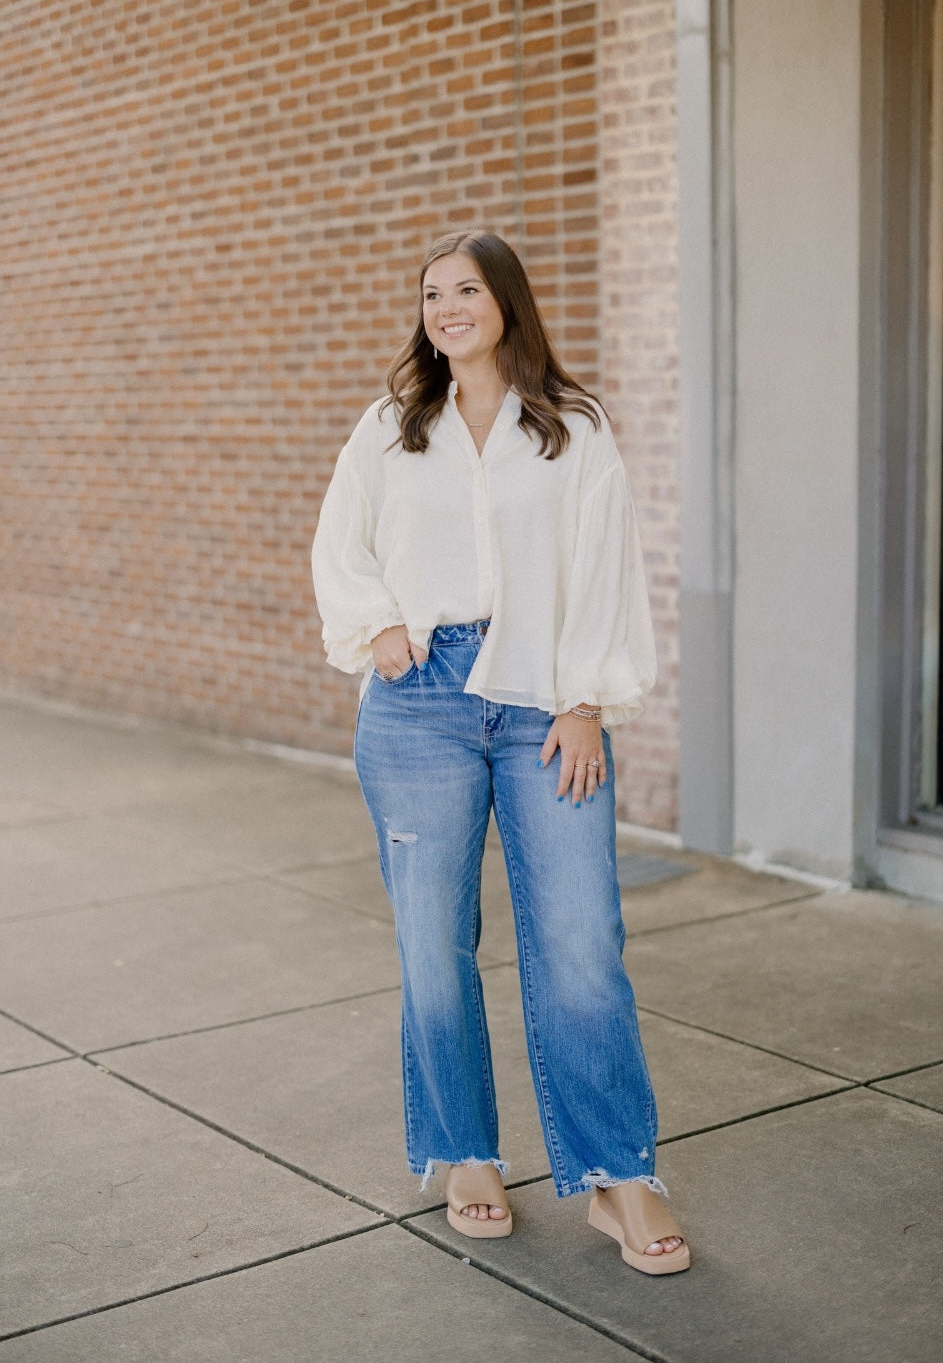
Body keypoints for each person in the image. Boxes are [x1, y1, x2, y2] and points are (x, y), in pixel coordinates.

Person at [311, 230, 690, 1275]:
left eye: (465, 289)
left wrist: (582, 701)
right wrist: (377, 624)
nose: (445, 308)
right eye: (430, 294)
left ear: (507, 302)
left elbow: (605, 571)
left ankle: (618, 1176)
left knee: (578, 945)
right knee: (434, 944)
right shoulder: (392, 429)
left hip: (544, 706)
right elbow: (341, 546)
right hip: (416, 703)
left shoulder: (572, 428)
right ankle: (463, 1152)